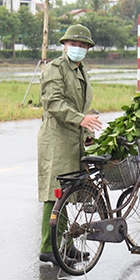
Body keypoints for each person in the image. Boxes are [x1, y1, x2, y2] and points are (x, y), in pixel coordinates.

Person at [37, 24, 103, 265]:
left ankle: (66, 244)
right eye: (74, 44)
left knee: (70, 192)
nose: (78, 48)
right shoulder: (54, 69)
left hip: (74, 137)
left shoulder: (81, 70)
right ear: (64, 45)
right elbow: (53, 103)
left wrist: (86, 131)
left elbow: (80, 107)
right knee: (55, 193)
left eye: (83, 45)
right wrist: (81, 119)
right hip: (56, 138)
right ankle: (48, 247)